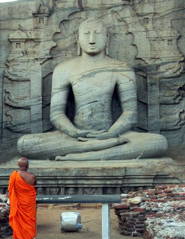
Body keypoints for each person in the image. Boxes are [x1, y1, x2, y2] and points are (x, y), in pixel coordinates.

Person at [17, 17, 168, 160]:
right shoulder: (64, 69)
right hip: (74, 136)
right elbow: (56, 114)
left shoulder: (121, 68)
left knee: (158, 142)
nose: (92, 39)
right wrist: (74, 132)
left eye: (98, 34)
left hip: (112, 133)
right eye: (86, 34)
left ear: (107, 38)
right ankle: (100, 149)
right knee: (24, 144)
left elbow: (130, 113)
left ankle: (84, 156)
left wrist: (110, 134)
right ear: (78, 38)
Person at [8, 157, 37, 239]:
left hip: (17, 203)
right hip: (28, 203)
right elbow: (34, 187)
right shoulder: (32, 176)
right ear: (27, 165)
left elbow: (10, 190)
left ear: (18, 165)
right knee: (29, 221)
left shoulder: (14, 175)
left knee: (17, 222)